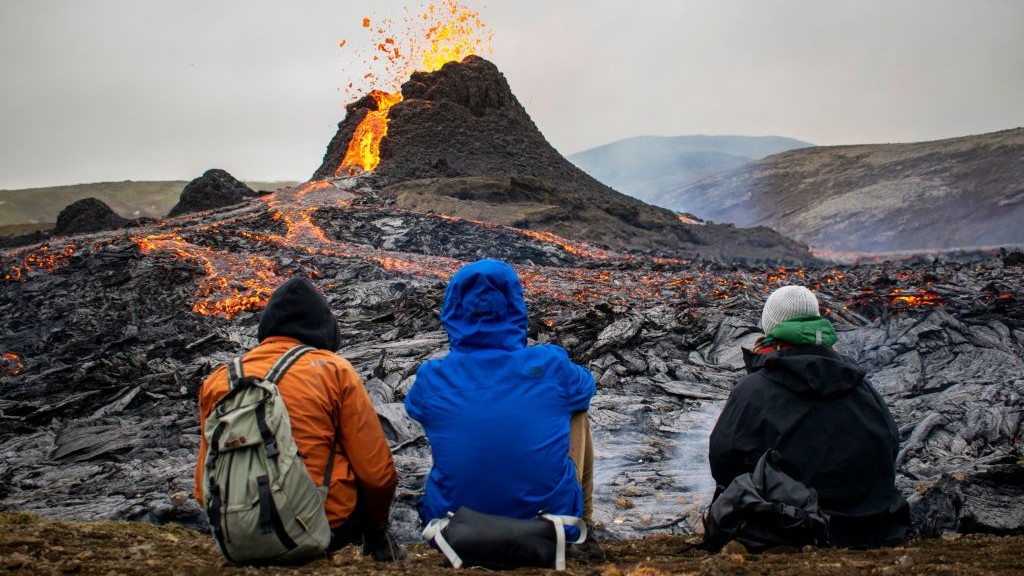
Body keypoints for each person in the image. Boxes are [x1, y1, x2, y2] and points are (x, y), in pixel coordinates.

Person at [194, 276, 403, 561]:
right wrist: (377, 526)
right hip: (322, 527)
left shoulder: (219, 380)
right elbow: (377, 475)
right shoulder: (333, 370)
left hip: (237, 531)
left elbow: (202, 484)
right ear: (325, 327)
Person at [405, 259, 602, 559]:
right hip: (548, 526)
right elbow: (587, 386)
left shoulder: (433, 378)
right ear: (515, 306)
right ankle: (584, 524)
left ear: (453, 310)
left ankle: (470, 494)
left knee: (449, 419)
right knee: (576, 409)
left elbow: (415, 408)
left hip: (453, 529)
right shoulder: (550, 365)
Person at [708, 285, 911, 548]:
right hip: (875, 527)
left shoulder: (753, 390)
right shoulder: (860, 384)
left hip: (793, 528)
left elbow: (723, 462)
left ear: (770, 327)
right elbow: (890, 445)